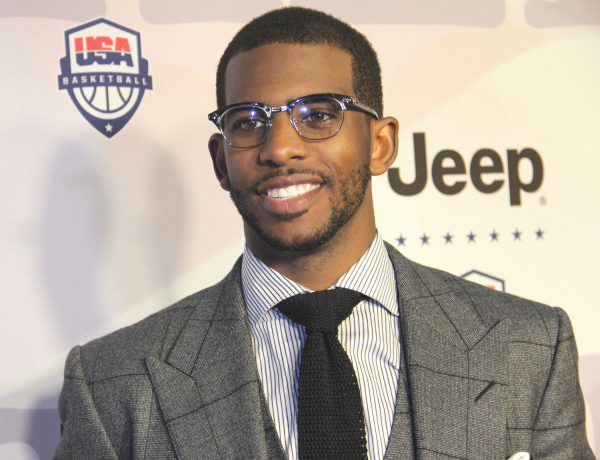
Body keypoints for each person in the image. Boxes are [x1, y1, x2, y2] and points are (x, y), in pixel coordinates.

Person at [53, 7, 595, 460]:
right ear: (221, 160)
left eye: (317, 115)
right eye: (248, 121)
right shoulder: (111, 384)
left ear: (380, 144)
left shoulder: (527, 348)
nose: (279, 147)